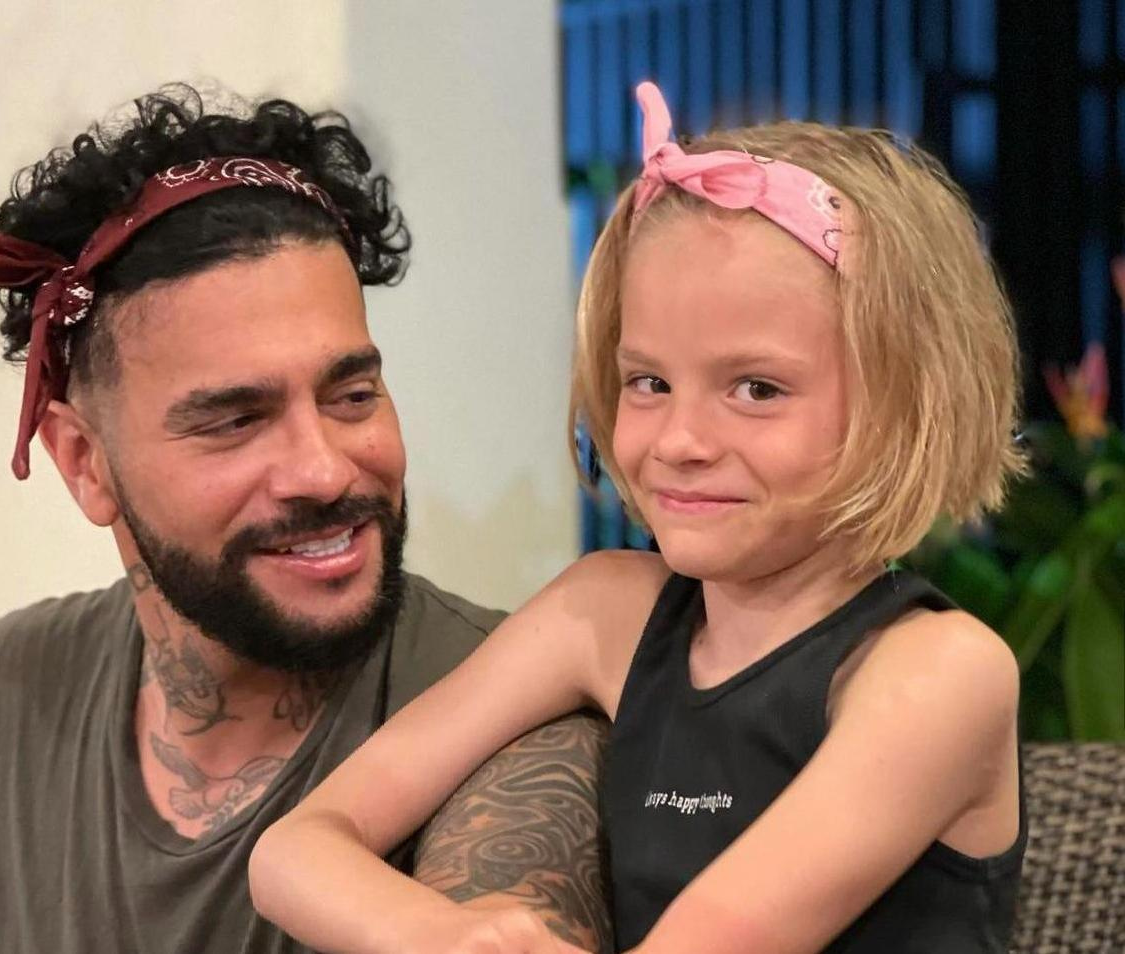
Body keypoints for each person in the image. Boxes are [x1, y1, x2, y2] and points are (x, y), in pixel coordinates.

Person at [249, 81, 1028, 954]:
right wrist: (446, 934)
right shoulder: (608, 613)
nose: (680, 441)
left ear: (904, 404)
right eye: (649, 382)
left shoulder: (939, 674)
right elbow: (292, 850)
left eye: (757, 389)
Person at [0, 87, 611, 954]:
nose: (324, 470)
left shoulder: (518, 718)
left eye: (352, 395)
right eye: (236, 421)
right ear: (84, 462)